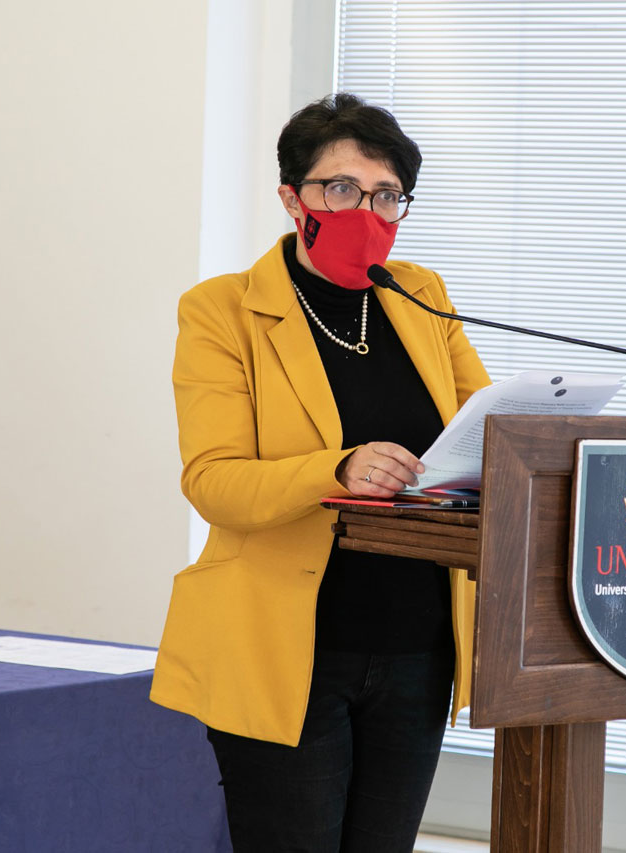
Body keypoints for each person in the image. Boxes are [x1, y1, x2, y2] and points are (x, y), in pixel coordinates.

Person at [150, 93, 490, 852]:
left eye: (385, 194)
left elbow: (489, 429)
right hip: (287, 653)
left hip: (417, 649)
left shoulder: (421, 296)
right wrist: (336, 468)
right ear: (291, 198)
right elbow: (215, 481)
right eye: (340, 188)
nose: (364, 209)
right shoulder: (222, 312)